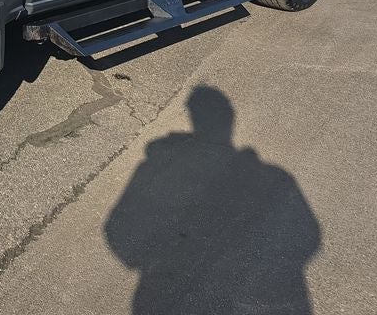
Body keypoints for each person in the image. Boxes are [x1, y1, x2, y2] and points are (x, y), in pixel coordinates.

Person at [104, 86, 321, 314]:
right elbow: (311, 238)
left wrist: (147, 264)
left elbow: (115, 227)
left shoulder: (154, 164)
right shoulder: (276, 175)